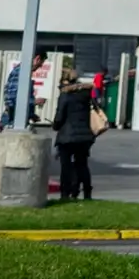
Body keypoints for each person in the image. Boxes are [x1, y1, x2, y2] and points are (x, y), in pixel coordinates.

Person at [51, 72, 96, 202]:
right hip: (85, 136)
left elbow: (59, 117)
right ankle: (87, 193)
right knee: (82, 165)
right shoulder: (85, 94)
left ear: (64, 81)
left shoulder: (65, 95)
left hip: (67, 136)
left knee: (66, 166)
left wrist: (55, 126)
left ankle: (65, 193)